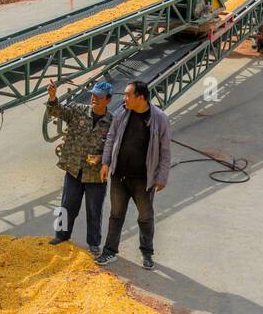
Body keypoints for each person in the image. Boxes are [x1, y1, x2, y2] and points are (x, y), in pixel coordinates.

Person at [97, 80, 171, 270]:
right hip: (119, 176)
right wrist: (106, 162)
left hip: (143, 180)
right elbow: (111, 138)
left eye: (128, 95)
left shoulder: (159, 119)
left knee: (145, 217)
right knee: (116, 215)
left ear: (141, 98)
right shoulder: (122, 113)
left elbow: (165, 150)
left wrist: (161, 177)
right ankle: (109, 251)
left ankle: (147, 253)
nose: (124, 98)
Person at [44, 80, 114, 252]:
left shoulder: (112, 122)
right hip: (74, 169)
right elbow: (57, 111)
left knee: (94, 210)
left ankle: (94, 243)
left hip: (96, 175)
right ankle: (60, 235)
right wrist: (52, 97)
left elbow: (115, 147)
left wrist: (101, 158)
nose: (94, 99)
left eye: (99, 96)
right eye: (93, 95)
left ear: (108, 100)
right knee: (67, 205)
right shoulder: (78, 111)